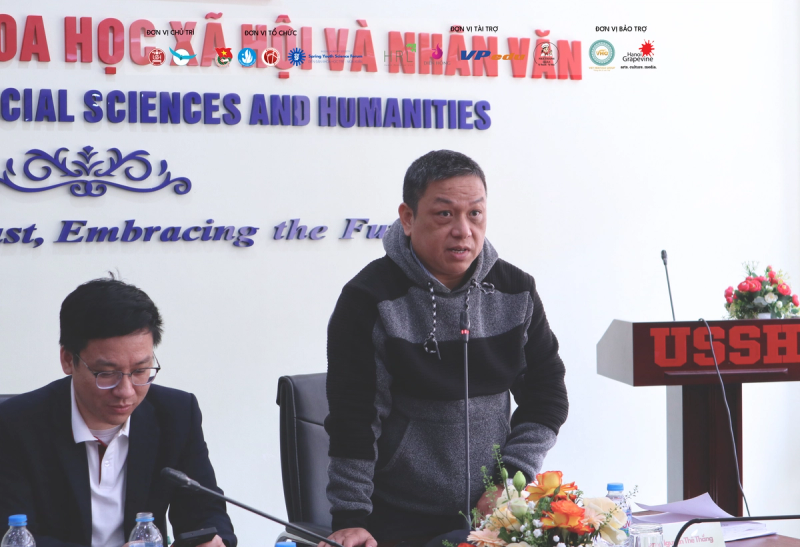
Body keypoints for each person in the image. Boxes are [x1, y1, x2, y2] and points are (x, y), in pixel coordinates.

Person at [322, 150, 569, 547]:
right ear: (408, 218)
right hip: (396, 519)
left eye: (475, 214)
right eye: (444, 214)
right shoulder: (369, 299)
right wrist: (350, 517)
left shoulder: (516, 291)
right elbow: (355, 420)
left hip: (493, 515)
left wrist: (509, 480)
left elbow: (547, 396)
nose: (463, 230)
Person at [0, 277, 236, 547]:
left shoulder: (176, 414)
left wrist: (213, 540)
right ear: (67, 360)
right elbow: (12, 536)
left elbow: (204, 510)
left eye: (140, 371)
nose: (126, 391)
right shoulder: (15, 424)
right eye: (106, 373)